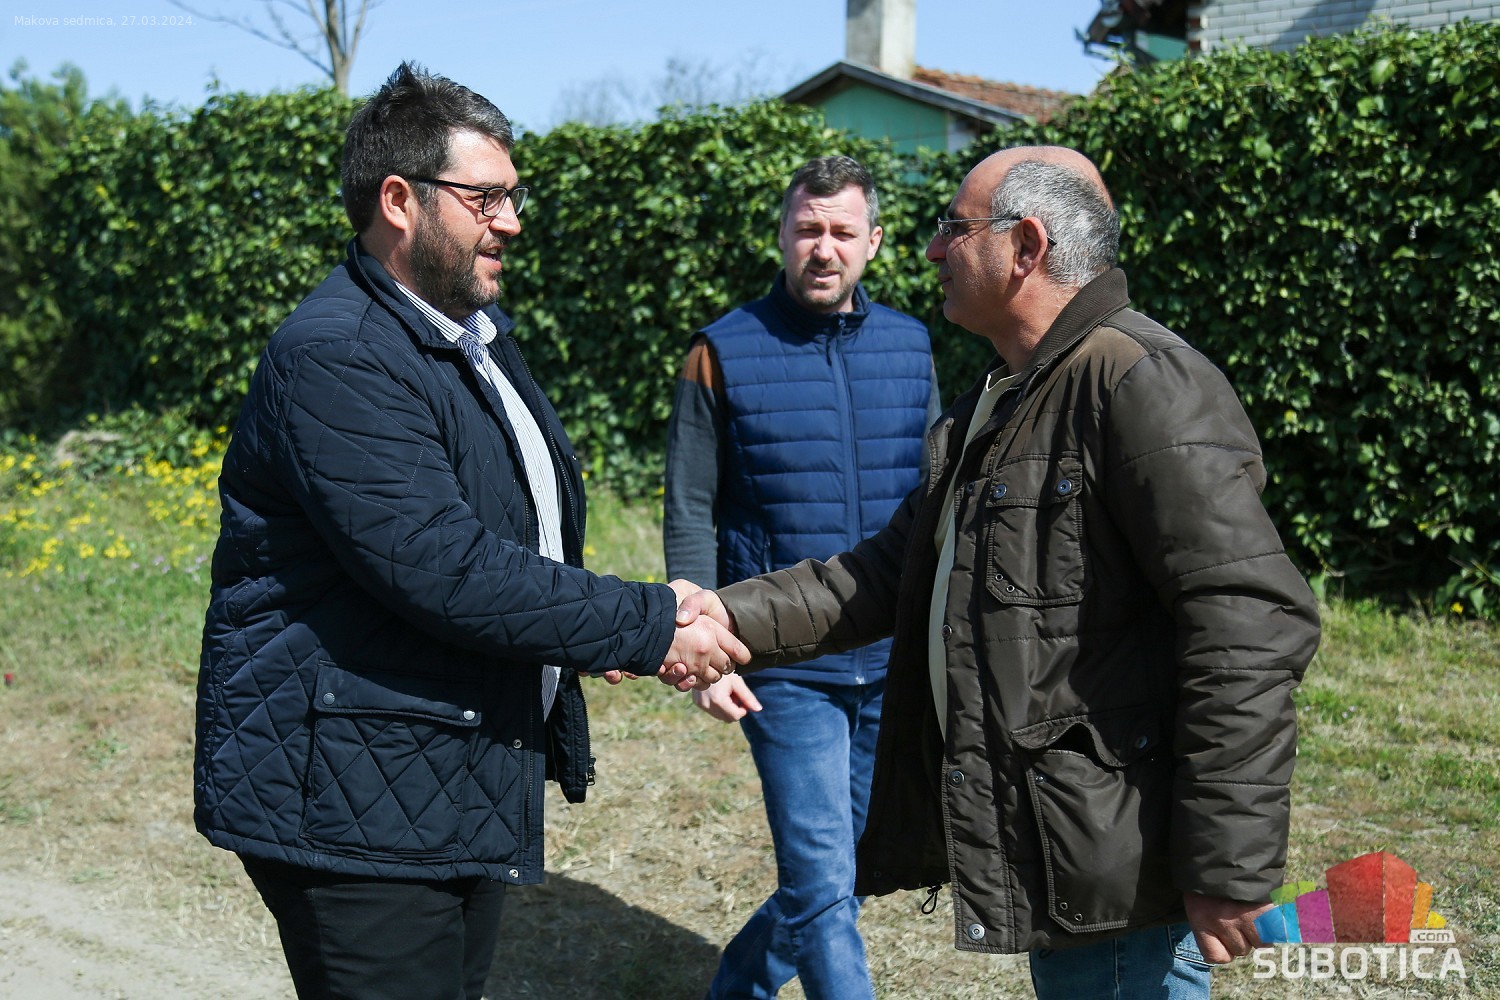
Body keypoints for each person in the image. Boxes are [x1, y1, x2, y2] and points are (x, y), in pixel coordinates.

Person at [675, 145, 1321, 999]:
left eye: (955, 227)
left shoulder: (1139, 380)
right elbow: (885, 573)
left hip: (1119, 862)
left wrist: (1228, 862)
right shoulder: (1006, 396)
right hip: (1072, 844)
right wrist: (718, 615)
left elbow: (1247, 619)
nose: (934, 249)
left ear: (1026, 246)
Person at [193, 63, 742, 1000]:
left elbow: (510, 538)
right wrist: (647, 623)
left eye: (513, 196)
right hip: (355, 795)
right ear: (398, 201)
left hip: (444, 765)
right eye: (486, 198)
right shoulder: (339, 355)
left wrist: (600, 617)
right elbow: (442, 565)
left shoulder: (470, 337)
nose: (512, 221)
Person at [663, 155, 939, 1000]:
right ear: (782, 236)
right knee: (822, 883)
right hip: (781, 660)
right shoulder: (720, 349)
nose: (824, 248)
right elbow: (690, 505)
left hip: (891, 656)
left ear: (873, 241)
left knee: (850, 869)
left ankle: (736, 988)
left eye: (842, 231)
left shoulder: (913, 345)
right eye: (808, 229)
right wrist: (699, 647)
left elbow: (935, 503)